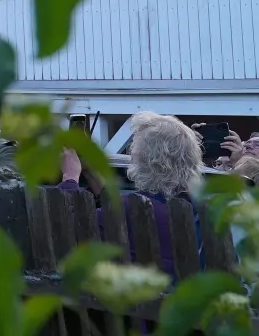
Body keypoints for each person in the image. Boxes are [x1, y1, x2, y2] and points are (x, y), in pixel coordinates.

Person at [58, 112, 203, 277]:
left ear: (145, 161)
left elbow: (65, 229)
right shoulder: (198, 211)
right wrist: (92, 174)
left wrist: (70, 177)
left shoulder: (134, 210)